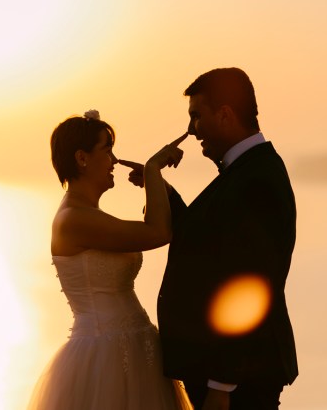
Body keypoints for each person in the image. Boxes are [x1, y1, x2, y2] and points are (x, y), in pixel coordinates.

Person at [27, 110, 192, 410]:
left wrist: (155, 184)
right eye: (107, 150)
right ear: (82, 158)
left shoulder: (91, 215)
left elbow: (154, 229)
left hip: (141, 351)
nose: (115, 160)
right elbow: (158, 232)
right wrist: (153, 169)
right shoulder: (73, 219)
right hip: (102, 359)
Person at [153, 68, 298, 409]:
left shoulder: (257, 179)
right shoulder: (245, 171)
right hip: (224, 375)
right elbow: (207, 241)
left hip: (238, 382)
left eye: (196, 116)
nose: (191, 130)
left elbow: (250, 284)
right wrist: (160, 190)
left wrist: (221, 385)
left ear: (225, 115)